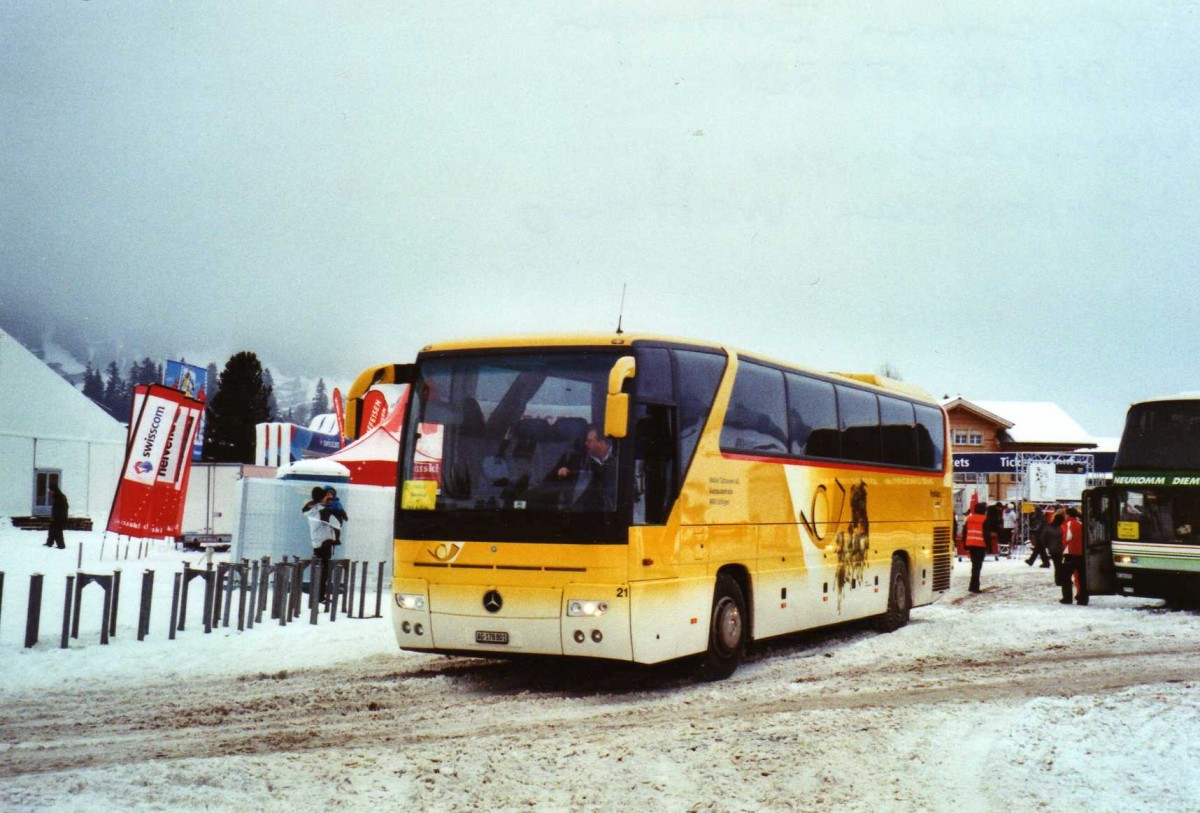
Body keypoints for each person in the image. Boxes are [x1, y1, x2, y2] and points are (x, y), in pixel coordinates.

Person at [550, 425, 617, 511]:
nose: (585, 444)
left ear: (601, 443)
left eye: (589, 441)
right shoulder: (580, 460)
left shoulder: (621, 460)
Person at [303, 487, 342, 605]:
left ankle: (319, 595)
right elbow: (337, 524)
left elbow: (304, 510)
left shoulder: (314, 509)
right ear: (321, 497)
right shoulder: (321, 511)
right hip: (324, 543)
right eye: (327, 496)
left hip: (319, 542)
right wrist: (336, 510)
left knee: (321, 571)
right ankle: (319, 596)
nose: (330, 499)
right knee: (323, 572)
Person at [1061, 506, 1088, 605]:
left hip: (1071, 552)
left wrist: (1063, 547)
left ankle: (1067, 598)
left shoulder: (1068, 523)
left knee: (1066, 577)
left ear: (1068, 515)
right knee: (1081, 577)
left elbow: (1067, 537)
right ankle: (1082, 598)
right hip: (1081, 553)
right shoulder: (1080, 523)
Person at [960, 501, 988, 593]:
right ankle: (974, 586)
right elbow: (986, 535)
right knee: (977, 567)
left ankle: (973, 585)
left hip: (971, 544)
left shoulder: (969, 519)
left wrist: (965, 544)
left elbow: (965, 532)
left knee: (974, 566)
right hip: (980, 545)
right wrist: (989, 547)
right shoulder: (984, 519)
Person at [1042, 511, 1066, 599]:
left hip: (1052, 549)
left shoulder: (1048, 527)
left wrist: (1047, 546)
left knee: (1057, 565)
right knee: (1061, 565)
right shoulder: (1062, 528)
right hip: (1061, 549)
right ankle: (1061, 579)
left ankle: (1058, 579)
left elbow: (1044, 538)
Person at [43, 485, 68, 549]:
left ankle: (61, 545)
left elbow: (62, 508)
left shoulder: (60, 497)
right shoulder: (57, 496)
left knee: (57, 531)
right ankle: (49, 543)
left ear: (54, 490)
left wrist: (57, 516)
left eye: (50, 490)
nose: (50, 492)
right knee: (52, 530)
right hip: (56, 517)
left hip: (60, 517)